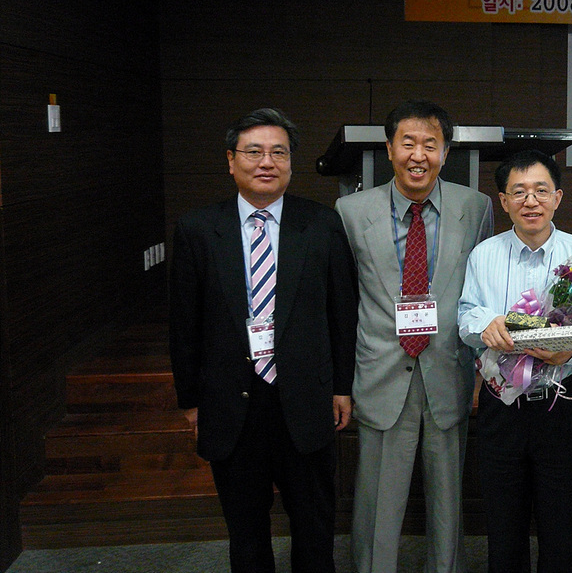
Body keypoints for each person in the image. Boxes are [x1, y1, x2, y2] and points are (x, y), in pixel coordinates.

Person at [169, 107, 358, 573]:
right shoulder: (198, 229)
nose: (267, 162)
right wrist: (190, 400)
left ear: (291, 162)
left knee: (314, 526)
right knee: (246, 532)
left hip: (306, 398)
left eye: (279, 152)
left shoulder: (321, 224)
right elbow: (184, 323)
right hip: (231, 402)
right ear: (231, 160)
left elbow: (342, 312)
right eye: (254, 152)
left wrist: (342, 386)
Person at [335, 100, 493, 573]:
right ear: (389, 149)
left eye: (430, 144)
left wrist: (482, 369)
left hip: (449, 369)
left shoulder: (476, 207)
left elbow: (482, 291)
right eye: (408, 143)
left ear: (446, 152)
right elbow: (342, 299)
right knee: (377, 501)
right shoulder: (350, 211)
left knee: (448, 499)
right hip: (381, 371)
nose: (418, 155)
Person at [458, 150, 572, 573]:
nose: (531, 201)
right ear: (504, 201)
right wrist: (484, 326)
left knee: (560, 520)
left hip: (560, 402)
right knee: (503, 520)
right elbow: (465, 315)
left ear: (557, 197)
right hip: (500, 403)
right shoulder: (483, 254)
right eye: (519, 192)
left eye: (541, 191)